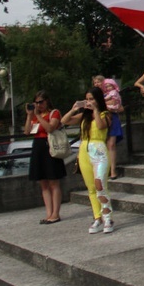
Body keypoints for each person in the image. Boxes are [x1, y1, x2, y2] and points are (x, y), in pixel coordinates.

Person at [62, 87, 115, 234]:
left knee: (100, 186)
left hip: (99, 151)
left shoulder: (105, 114)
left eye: (92, 99)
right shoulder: (84, 117)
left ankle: (108, 217)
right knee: (91, 188)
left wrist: (95, 110)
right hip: (84, 151)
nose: (89, 102)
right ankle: (97, 217)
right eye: (87, 99)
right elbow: (64, 121)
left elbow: (100, 125)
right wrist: (74, 109)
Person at [25, 90, 66, 224]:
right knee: (43, 183)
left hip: (49, 146)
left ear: (47, 101)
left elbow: (50, 128)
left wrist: (39, 116)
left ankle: (56, 213)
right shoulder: (36, 115)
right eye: (36, 102)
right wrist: (30, 116)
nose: (38, 105)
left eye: (41, 102)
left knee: (53, 181)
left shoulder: (54, 113)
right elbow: (27, 131)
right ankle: (48, 212)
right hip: (38, 147)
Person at [99, 77, 124, 180]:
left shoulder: (113, 94)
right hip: (101, 120)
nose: (97, 84)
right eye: (95, 82)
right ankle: (105, 169)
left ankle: (113, 170)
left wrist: (106, 105)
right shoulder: (97, 96)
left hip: (113, 119)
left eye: (99, 82)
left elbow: (118, 106)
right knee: (102, 145)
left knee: (111, 144)